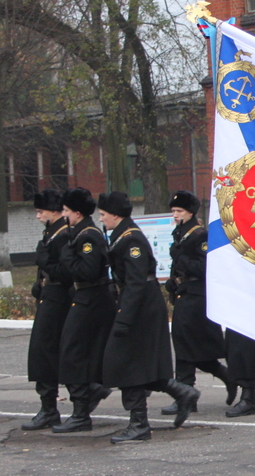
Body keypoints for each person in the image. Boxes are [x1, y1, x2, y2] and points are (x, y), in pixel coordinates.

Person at [97, 192, 201, 443]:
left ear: (115, 215)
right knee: (137, 363)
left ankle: (139, 424)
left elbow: (135, 283)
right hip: (137, 305)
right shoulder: (121, 235)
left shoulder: (131, 240)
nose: (101, 219)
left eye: (103, 215)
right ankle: (181, 392)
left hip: (141, 307)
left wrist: (123, 318)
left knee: (125, 363)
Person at [163, 190, 236, 417]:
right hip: (184, 294)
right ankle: (188, 392)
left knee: (191, 347)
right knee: (186, 346)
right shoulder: (181, 233)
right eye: (173, 211)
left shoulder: (199, 235)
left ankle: (220, 379)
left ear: (191, 212)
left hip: (197, 297)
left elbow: (205, 268)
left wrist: (181, 260)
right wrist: (173, 281)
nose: (175, 215)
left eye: (179, 211)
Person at [51, 188, 114, 433]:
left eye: (66, 211)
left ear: (77, 213)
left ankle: (81, 410)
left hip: (92, 297)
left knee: (71, 353)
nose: (63, 215)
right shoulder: (79, 233)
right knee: (75, 352)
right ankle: (89, 395)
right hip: (84, 297)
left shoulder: (88, 236)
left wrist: (66, 253)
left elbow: (86, 271)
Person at [23, 190, 73, 431]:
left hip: (59, 299)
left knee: (46, 351)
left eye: (40, 211)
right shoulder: (52, 233)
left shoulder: (63, 235)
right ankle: (49, 406)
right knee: (44, 352)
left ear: (54, 211)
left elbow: (65, 271)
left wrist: (44, 263)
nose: (38, 216)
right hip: (49, 296)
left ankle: (51, 408)